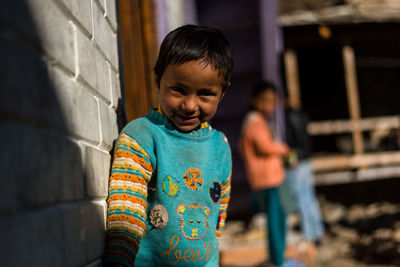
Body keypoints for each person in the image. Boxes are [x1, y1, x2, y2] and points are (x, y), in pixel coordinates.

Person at [103, 25, 233, 266]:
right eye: (179, 90)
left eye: (205, 94)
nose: (190, 105)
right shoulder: (141, 136)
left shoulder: (220, 146)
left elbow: (218, 213)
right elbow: (126, 210)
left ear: (222, 93)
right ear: (158, 80)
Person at [239, 81, 291, 267]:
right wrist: (284, 150)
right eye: (265, 101)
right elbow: (264, 147)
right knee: (275, 221)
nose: (269, 105)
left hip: (272, 177)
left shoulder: (260, 121)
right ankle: (278, 259)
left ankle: (280, 257)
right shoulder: (254, 122)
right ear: (255, 101)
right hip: (267, 179)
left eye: (272, 101)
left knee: (279, 218)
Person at [284, 99, 324, 246]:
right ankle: (318, 232)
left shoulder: (286, 117)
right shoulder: (301, 114)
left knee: (301, 199)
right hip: (306, 160)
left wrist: (292, 160)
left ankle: (309, 235)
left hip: (297, 162)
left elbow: (293, 144)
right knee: (309, 197)